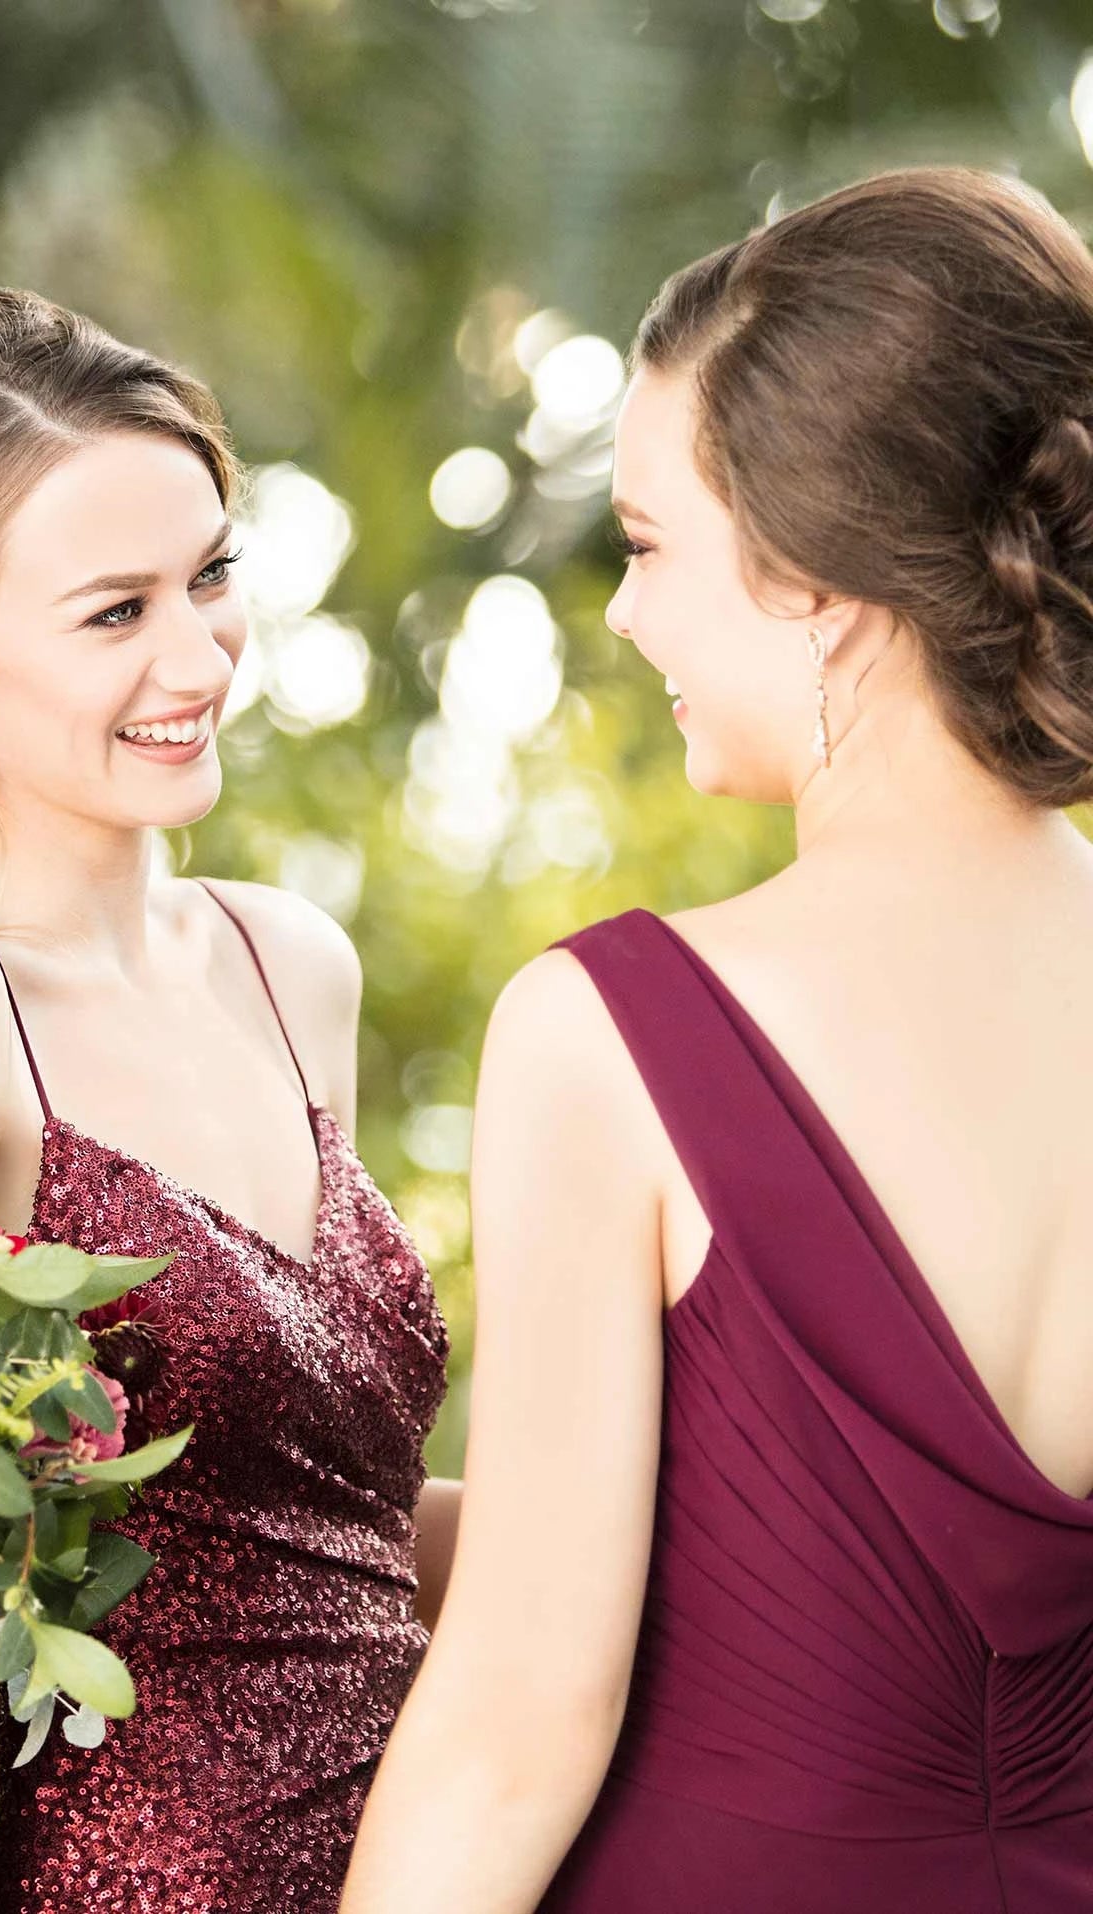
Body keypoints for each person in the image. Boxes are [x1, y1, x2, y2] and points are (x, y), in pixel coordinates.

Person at [339, 165, 1093, 1913]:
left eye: (652, 544)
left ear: (817, 580)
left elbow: (518, 1726)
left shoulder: (610, 1036)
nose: (625, 614)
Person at [0, 286, 456, 1914]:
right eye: (114, 610)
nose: (200, 656)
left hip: (447, 1856)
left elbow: (311, 1527)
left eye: (211, 577)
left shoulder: (291, 966)